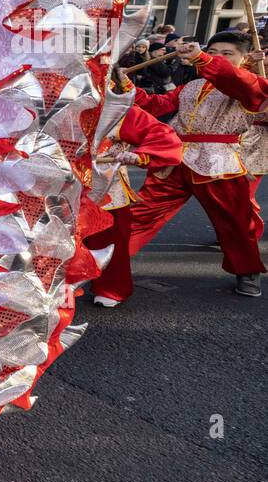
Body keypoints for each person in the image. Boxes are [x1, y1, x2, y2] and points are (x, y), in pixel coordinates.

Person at [128, 33, 268, 297]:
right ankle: (108, 260)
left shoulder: (253, 85)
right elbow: (157, 105)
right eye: (213, 51)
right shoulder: (191, 86)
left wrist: (204, 59)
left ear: (246, 58)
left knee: (235, 222)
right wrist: (125, 87)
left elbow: (236, 82)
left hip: (220, 162)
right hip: (175, 158)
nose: (218, 57)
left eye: (227, 53)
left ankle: (247, 271)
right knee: (140, 211)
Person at [84, 104, 184, 307]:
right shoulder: (49, 99)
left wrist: (141, 154)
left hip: (104, 184)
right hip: (55, 181)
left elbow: (160, 133)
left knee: (109, 238)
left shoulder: (117, 108)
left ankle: (111, 287)